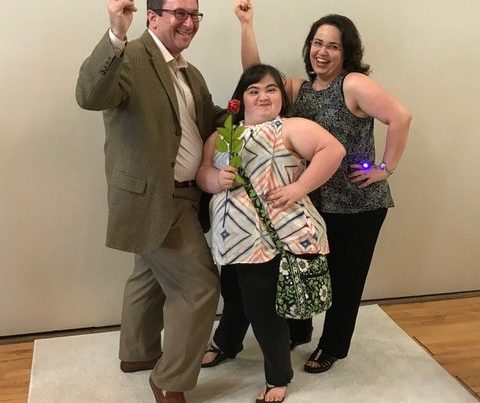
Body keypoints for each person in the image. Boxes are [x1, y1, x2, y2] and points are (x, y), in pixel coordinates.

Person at [234, 0, 412, 374]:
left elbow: (400, 116)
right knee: (306, 270)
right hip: (313, 201)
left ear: (346, 52)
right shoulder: (303, 89)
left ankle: (333, 346)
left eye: (333, 45)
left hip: (357, 204)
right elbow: (255, 73)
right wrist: (247, 24)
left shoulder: (353, 83)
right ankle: (300, 330)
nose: (322, 51)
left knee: (346, 280)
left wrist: (385, 168)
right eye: (317, 42)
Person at [75, 0, 226, 401]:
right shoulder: (131, 56)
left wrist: (252, 110)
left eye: (194, 15)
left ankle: (137, 353)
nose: (189, 22)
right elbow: (90, 94)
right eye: (179, 12)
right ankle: (168, 379)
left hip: (183, 193)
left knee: (149, 275)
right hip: (157, 195)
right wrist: (115, 33)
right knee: (199, 288)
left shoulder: (188, 72)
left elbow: (206, 120)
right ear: (152, 17)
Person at [196, 63, 345, 402]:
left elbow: (332, 151)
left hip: (267, 238)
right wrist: (216, 180)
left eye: (271, 89)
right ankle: (227, 342)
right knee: (234, 297)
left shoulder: (289, 127)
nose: (263, 96)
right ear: (240, 98)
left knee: (263, 308)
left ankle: (278, 374)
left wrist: (298, 189)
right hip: (229, 239)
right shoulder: (222, 134)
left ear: (281, 96)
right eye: (254, 90)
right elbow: (203, 172)